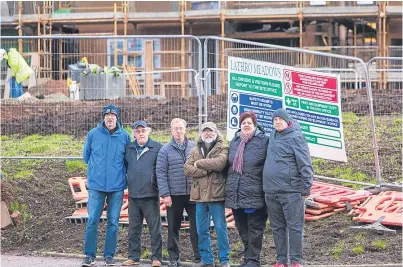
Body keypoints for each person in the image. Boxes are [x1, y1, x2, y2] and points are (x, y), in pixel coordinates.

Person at [263, 108, 314, 267]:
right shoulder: (272, 135)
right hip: (271, 191)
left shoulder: (297, 138)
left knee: (294, 227)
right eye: (275, 120)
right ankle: (281, 260)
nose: (277, 122)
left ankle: (296, 260)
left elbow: (305, 164)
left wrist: (306, 187)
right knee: (277, 227)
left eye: (280, 119)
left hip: (291, 191)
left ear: (287, 121)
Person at [82, 104, 131, 266]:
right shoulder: (93, 134)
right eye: (107, 116)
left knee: (113, 222)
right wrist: (96, 172)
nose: (110, 118)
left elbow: (127, 160)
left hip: (116, 187)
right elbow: (86, 156)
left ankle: (109, 255)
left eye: (113, 116)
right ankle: (89, 255)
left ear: (117, 118)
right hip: (96, 187)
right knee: (92, 221)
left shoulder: (125, 136)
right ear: (103, 118)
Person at [226, 111, 269, 267]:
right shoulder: (235, 141)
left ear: (254, 125)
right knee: (242, 228)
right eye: (243, 123)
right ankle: (248, 258)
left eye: (249, 123)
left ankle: (253, 260)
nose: (246, 125)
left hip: (255, 192)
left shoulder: (264, 141)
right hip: (236, 192)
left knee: (255, 228)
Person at [184, 122, 230, 267]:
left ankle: (224, 260)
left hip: (216, 195)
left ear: (216, 132)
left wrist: (199, 164)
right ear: (201, 133)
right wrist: (205, 170)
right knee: (201, 229)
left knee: (220, 229)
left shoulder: (222, 147)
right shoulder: (195, 149)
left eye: (210, 131)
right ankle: (206, 259)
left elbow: (220, 163)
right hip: (199, 196)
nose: (208, 134)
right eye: (205, 131)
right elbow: (187, 169)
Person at [156, 118, 201, 267]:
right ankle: (174, 258)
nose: (178, 131)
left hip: (193, 194)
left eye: (181, 128)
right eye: (175, 128)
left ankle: (199, 257)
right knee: (173, 227)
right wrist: (165, 194)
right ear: (171, 130)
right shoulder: (165, 150)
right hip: (174, 195)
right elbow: (160, 173)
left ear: (185, 129)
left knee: (197, 226)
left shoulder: (194, 147)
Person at [122, 120, 163, 267]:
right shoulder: (129, 148)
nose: (141, 133)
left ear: (148, 131)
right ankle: (133, 256)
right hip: (133, 195)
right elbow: (127, 166)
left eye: (143, 130)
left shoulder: (157, 147)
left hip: (151, 195)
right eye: (138, 131)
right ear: (134, 133)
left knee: (155, 228)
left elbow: (162, 170)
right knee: (133, 228)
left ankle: (156, 258)